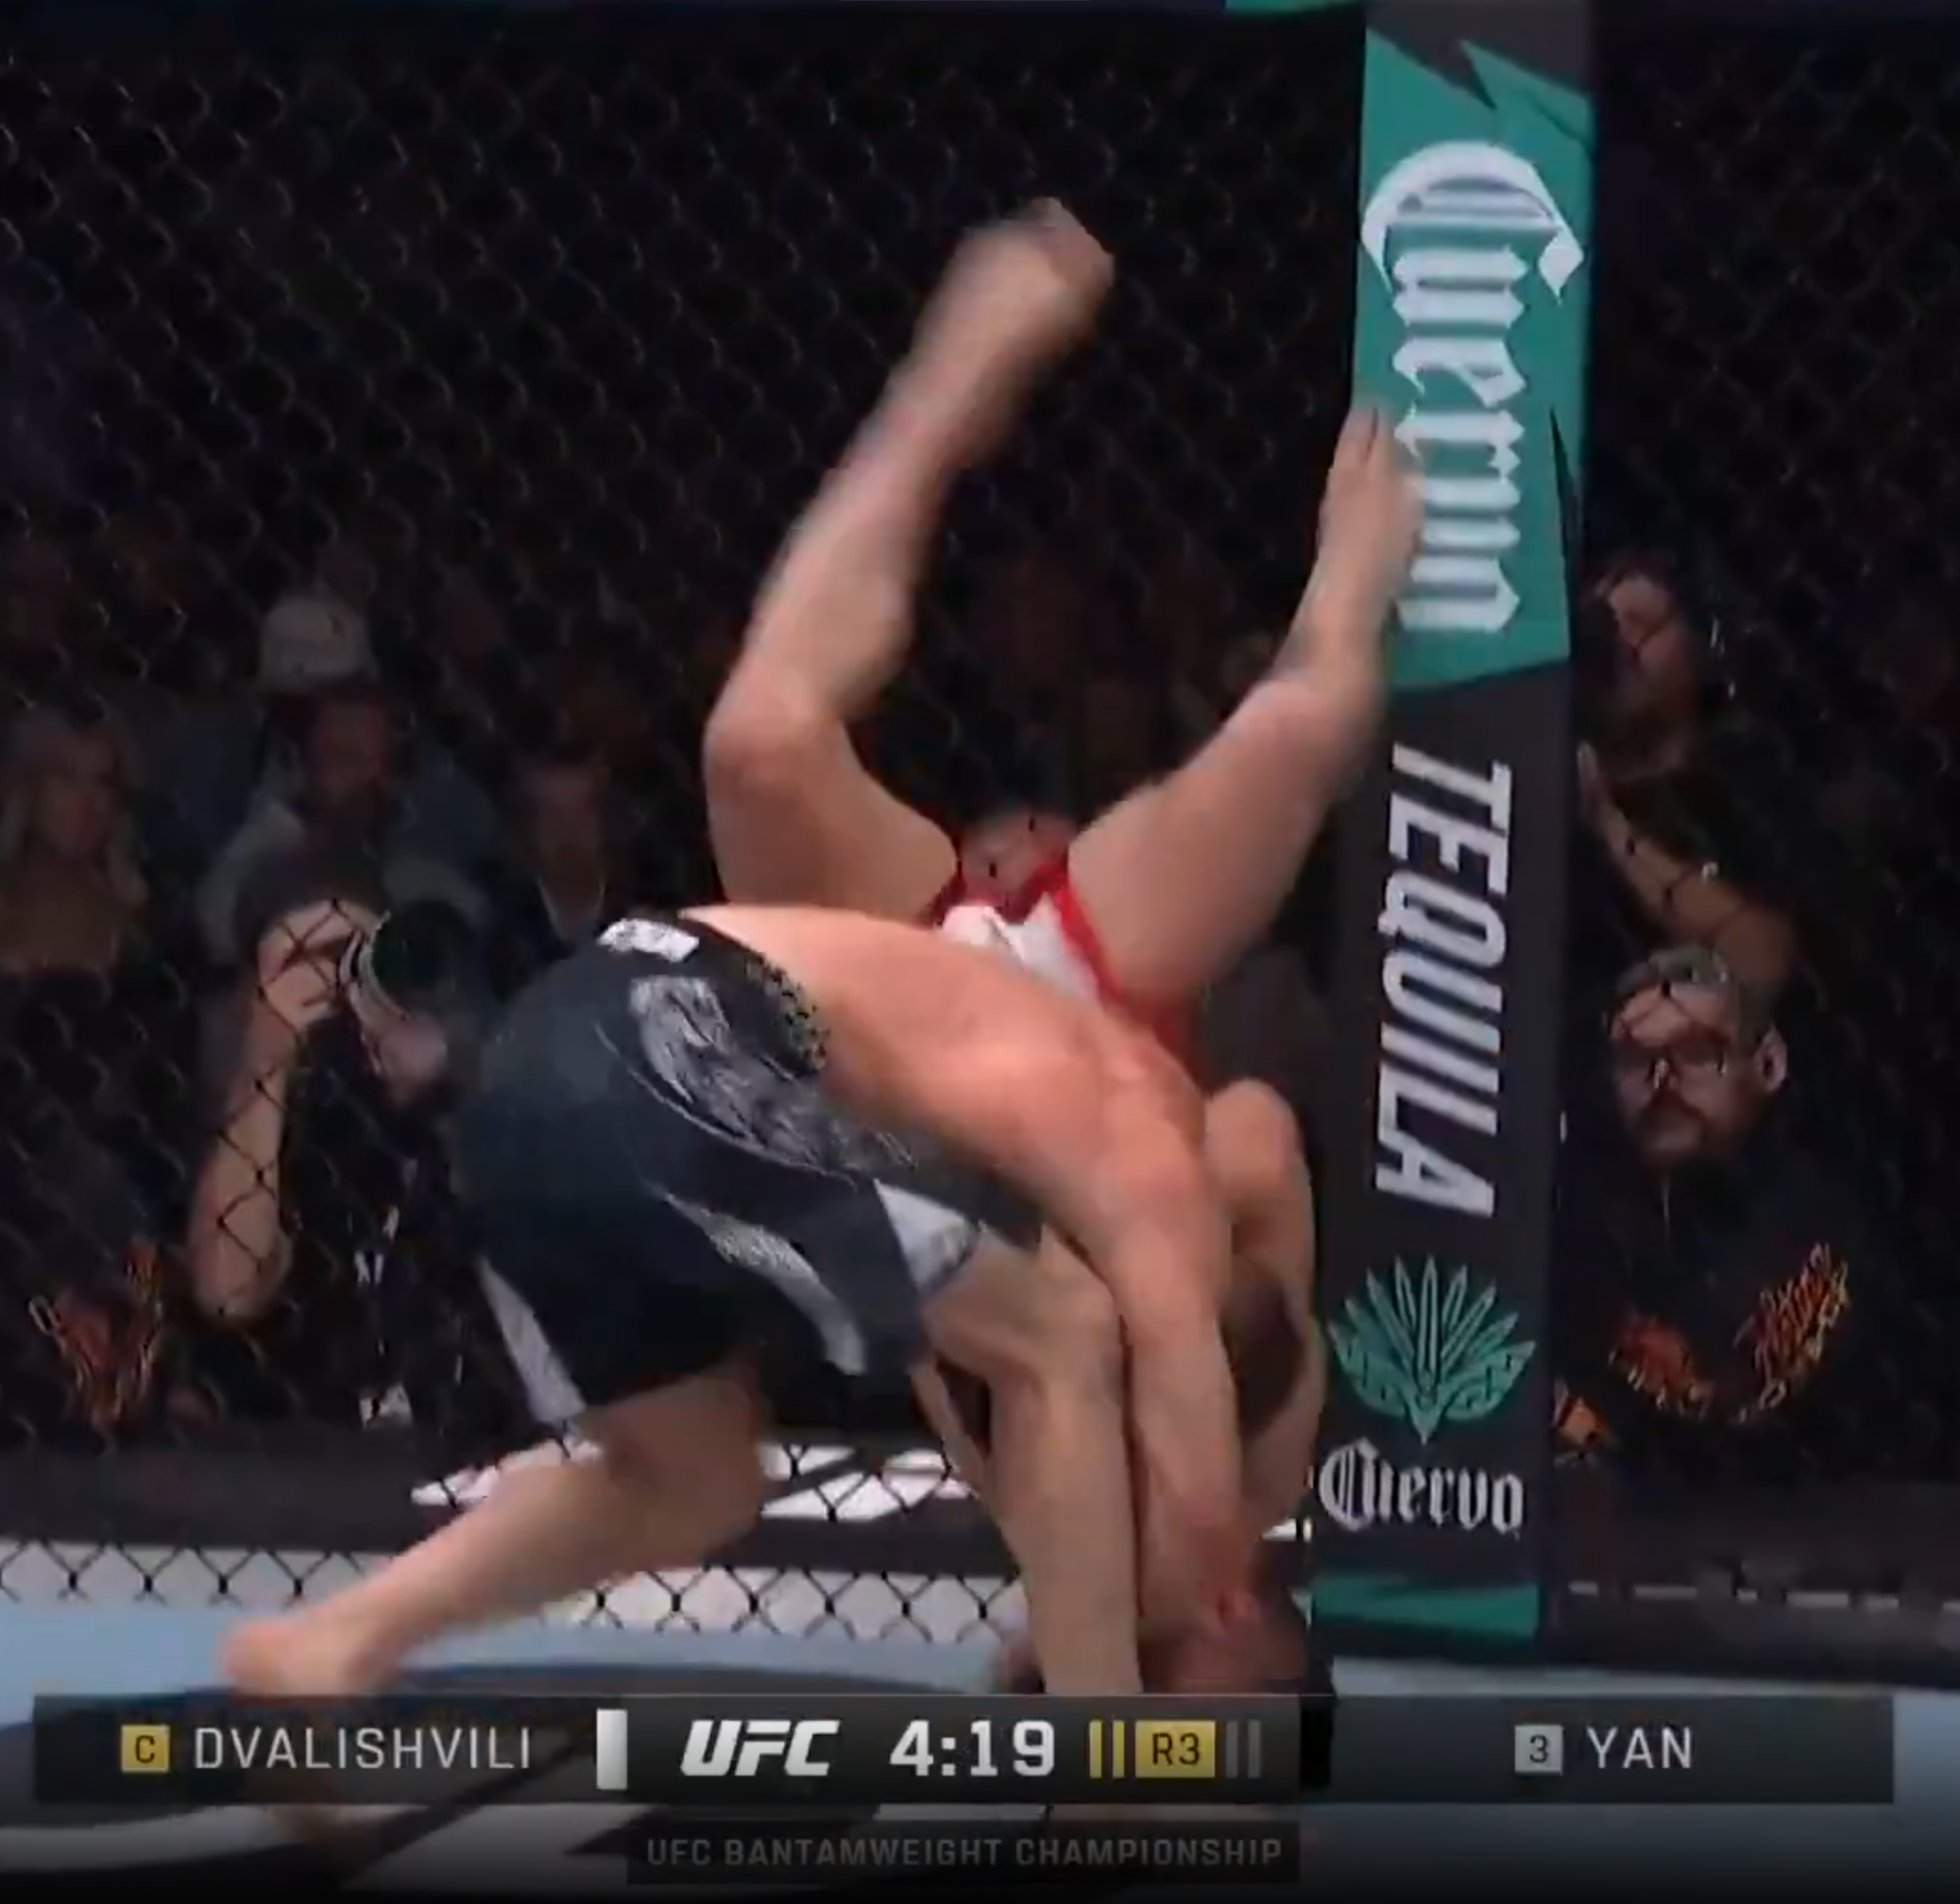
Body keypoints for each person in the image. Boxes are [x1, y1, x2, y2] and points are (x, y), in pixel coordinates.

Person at [702, 201, 1416, 1664]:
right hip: (1093, 1011)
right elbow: (1259, 1140)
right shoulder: (1262, 1462)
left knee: (756, 746)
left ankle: (936, 402)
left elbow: (913, 1265)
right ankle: (1352, 578)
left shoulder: (1035, 1489)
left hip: (921, 1031)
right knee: (1299, 726)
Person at [224, 896, 1253, 1709]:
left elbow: (954, 1353)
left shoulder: (951, 1026)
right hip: (659, 1030)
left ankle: (328, 1645)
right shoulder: (1117, 1096)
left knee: (692, 1481)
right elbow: (1172, 1397)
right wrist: (1206, 1588)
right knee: (1066, 1332)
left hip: (518, 1118)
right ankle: (1106, 1784)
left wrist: (1076, 1597)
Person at [1554, 945, 1883, 1479]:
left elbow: (1726, 1410)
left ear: (1767, 1064)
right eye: (1635, 1058)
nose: (1663, 1078)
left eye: (1699, 1051)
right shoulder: (1583, 1200)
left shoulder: (1812, 1214)